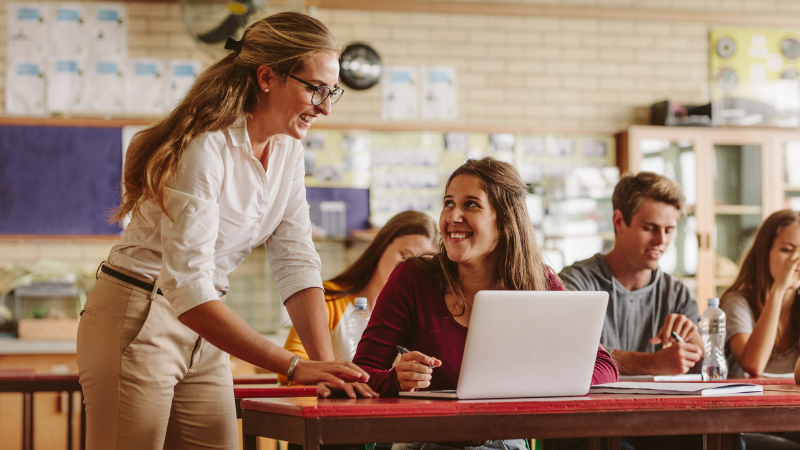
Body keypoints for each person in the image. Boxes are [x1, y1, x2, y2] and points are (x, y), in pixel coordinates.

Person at [77, 13, 371, 450]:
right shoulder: (205, 144)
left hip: (205, 323)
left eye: (332, 92)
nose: (325, 106)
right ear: (267, 77)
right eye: (315, 88)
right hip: (139, 314)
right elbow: (187, 285)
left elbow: (295, 258)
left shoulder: (288, 149)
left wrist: (324, 371)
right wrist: (293, 367)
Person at [352, 157, 618, 450]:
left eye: (471, 204)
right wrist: (395, 380)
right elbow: (362, 372)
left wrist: (540, 380)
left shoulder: (536, 283)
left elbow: (604, 366)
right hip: (426, 443)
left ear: (504, 221)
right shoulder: (413, 278)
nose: (453, 216)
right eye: (449, 203)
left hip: (505, 443)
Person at [555, 172, 735, 450]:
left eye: (669, 229)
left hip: (659, 422)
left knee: (729, 441)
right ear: (619, 222)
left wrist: (696, 350)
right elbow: (571, 356)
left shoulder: (677, 292)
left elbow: (704, 372)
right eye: (649, 227)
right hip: (589, 423)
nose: (660, 240)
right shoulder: (576, 282)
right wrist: (652, 363)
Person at [279, 210, 438, 383]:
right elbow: (289, 368)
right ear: (381, 247)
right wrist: (343, 381)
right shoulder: (329, 299)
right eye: (404, 256)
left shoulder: (420, 317)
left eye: (419, 267)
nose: (407, 271)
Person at [721, 209, 800, 449]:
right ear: (764, 252)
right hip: (745, 421)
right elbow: (754, 365)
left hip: (791, 417)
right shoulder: (737, 302)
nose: (795, 260)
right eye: (787, 250)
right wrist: (778, 289)